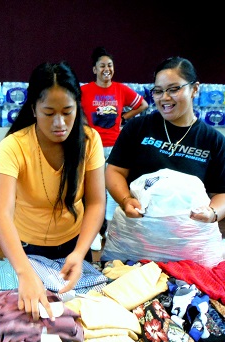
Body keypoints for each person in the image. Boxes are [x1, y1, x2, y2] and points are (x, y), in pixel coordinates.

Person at [0, 61, 105, 321]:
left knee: (77, 314)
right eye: (49, 112)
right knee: (31, 314)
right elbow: (1, 216)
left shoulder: (89, 141)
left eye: (67, 111)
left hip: (75, 245)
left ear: (77, 106)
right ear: (33, 109)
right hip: (26, 249)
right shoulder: (13, 147)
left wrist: (78, 252)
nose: (59, 123)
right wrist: (23, 272)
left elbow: (97, 203)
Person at [104, 56, 225, 260]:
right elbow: (115, 170)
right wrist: (125, 200)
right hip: (136, 242)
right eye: (158, 91)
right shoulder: (138, 128)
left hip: (187, 246)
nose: (164, 98)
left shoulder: (213, 141)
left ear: (195, 89)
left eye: (174, 89)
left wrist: (212, 213)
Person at [81, 46, 148, 250]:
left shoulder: (121, 89)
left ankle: (110, 229)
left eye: (109, 65)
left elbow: (143, 105)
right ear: (94, 69)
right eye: (102, 66)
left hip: (116, 147)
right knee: (92, 190)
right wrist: (84, 126)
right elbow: (73, 109)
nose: (106, 69)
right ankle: (92, 232)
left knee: (113, 190)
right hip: (92, 148)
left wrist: (123, 118)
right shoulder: (84, 90)